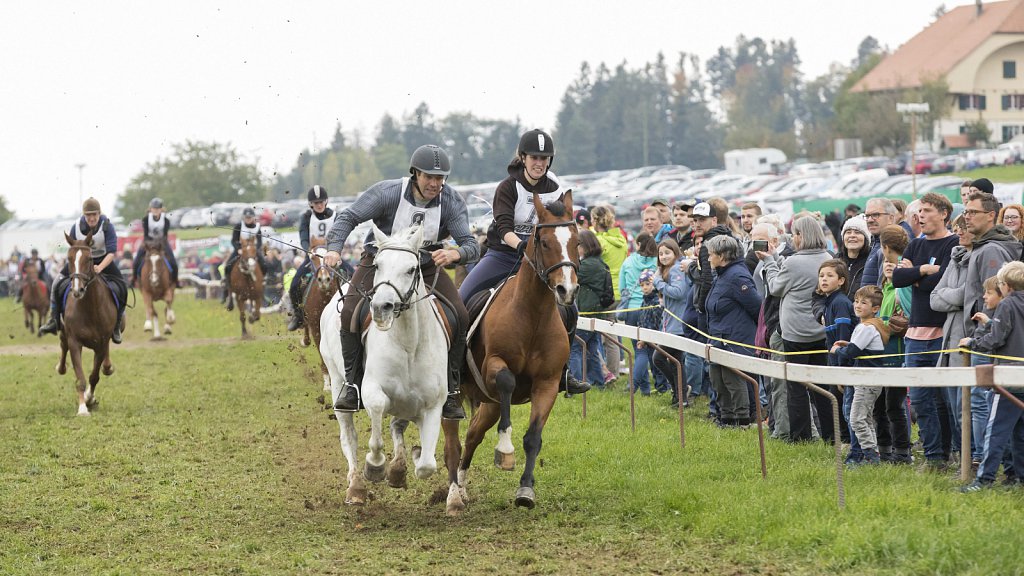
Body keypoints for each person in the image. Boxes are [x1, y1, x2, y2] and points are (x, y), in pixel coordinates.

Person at [324, 144, 479, 420]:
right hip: (380, 260)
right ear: (415, 174)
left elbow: (470, 244)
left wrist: (456, 252)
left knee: (461, 315)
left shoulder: (451, 201)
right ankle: (351, 385)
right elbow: (348, 216)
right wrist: (335, 247)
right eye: (429, 177)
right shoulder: (388, 193)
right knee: (349, 312)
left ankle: (452, 390)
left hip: (424, 265)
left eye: (440, 178)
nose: (435, 183)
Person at [456, 129, 589, 396]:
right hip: (504, 254)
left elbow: (560, 225)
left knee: (570, 310)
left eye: (544, 158)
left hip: (542, 260)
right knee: (461, 301)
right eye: (534, 158)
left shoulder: (556, 187)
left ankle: (563, 372)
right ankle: (454, 373)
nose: (539, 163)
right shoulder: (508, 186)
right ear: (523, 157)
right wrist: (521, 246)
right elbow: (504, 226)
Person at [892, 192, 959, 471]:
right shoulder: (915, 246)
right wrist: (922, 270)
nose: (921, 215)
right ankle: (933, 458)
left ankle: (954, 454)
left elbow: (940, 283)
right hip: (914, 333)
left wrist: (916, 275)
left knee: (946, 400)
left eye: (928, 210)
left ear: (944, 213)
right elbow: (897, 278)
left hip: (942, 332)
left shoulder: (953, 243)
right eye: (919, 210)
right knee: (919, 398)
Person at [760, 214, 833, 442]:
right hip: (821, 330)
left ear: (801, 236)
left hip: (795, 332)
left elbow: (775, 287)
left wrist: (770, 261)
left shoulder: (793, 262)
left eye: (794, 234)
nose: (792, 238)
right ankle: (831, 434)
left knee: (797, 387)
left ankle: (801, 436)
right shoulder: (828, 257)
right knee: (823, 385)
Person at [959, 261, 1024, 492]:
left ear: (1005, 286)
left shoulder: (1007, 305)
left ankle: (983, 480)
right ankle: (1019, 478)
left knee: (995, 432)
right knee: (1020, 433)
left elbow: (997, 338)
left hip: (1007, 378)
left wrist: (973, 343)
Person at [39, 198, 128, 343]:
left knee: (122, 286)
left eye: (94, 215)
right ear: (84, 216)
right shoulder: (77, 227)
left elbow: (112, 252)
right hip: (81, 262)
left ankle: (116, 325)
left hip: (103, 260)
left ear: (99, 214)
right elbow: (73, 248)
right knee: (56, 283)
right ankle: (54, 319)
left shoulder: (107, 226)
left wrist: (100, 267)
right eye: (88, 215)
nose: (91, 218)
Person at [705, 234, 761, 427]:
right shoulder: (721, 275)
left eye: (711, 254)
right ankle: (726, 419)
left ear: (722, 256)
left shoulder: (737, 276)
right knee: (718, 380)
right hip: (718, 338)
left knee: (734, 382)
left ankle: (742, 421)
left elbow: (757, 307)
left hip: (734, 340)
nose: (708, 258)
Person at [831, 285, 890, 466]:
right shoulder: (869, 326)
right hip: (869, 380)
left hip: (866, 380)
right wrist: (848, 344)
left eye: (863, 303)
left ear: (875, 308)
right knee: (865, 418)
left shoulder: (867, 327)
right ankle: (873, 452)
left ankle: (870, 455)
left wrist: (838, 350)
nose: (857, 305)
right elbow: (859, 347)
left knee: (856, 419)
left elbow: (853, 352)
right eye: (856, 301)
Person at [878, 224, 913, 464]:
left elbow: (908, 310)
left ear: (885, 248)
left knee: (894, 405)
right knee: (882, 405)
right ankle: (885, 450)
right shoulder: (889, 282)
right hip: (884, 353)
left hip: (898, 352)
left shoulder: (903, 275)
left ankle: (902, 452)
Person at [286, 185, 337, 331]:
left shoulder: (335, 215)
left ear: (326, 202)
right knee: (295, 284)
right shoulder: (306, 217)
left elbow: (340, 235)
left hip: (332, 255)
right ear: (311, 204)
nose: (319, 205)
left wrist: (335, 250)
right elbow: (303, 236)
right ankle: (298, 316)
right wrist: (307, 250)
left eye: (321, 202)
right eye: (316, 203)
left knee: (352, 275)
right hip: (313, 256)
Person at [816, 259, 854, 449]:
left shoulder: (839, 302)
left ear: (841, 280)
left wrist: (840, 367)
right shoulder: (829, 301)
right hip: (834, 362)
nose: (824, 279)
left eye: (830, 276)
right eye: (821, 276)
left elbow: (842, 338)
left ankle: (848, 442)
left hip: (842, 364)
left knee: (842, 403)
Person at [650, 238, 691, 408]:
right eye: (661, 254)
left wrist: (658, 283)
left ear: (675, 253)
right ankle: (680, 397)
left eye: (667, 253)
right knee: (675, 361)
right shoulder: (667, 270)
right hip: (671, 322)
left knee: (659, 358)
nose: (664, 256)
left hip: (678, 323)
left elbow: (679, 292)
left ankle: (679, 392)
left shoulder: (675, 270)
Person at [570, 230, 611, 390]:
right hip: (597, 312)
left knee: (576, 348)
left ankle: (575, 383)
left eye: (578, 245)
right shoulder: (599, 262)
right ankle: (598, 382)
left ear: (585, 246)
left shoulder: (586, 265)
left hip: (586, 313)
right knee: (592, 349)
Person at [591, 204, 629, 380]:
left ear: (595, 221)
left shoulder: (598, 242)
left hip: (602, 292)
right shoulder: (620, 239)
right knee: (610, 333)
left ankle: (605, 372)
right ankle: (613, 371)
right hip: (618, 291)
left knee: (591, 334)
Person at [620, 233, 659, 394]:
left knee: (639, 350)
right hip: (651, 309)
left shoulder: (628, 261)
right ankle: (645, 389)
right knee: (648, 350)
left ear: (638, 244)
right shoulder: (657, 262)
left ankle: (634, 385)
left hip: (631, 310)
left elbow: (622, 287)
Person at [222, 207, 266, 311]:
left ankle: (263, 283)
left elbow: (259, 241)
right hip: (240, 250)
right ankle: (227, 289)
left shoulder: (257, 227)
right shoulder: (238, 226)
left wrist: (256, 249)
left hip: (253, 251)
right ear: (243, 217)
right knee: (228, 266)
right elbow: (233, 240)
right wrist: (238, 249)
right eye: (246, 217)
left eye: (250, 217)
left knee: (264, 265)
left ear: (253, 218)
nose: (248, 219)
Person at [132, 198, 178, 288]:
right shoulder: (145, 219)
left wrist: (159, 244)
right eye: (154, 208)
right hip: (148, 242)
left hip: (162, 242)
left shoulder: (166, 220)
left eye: (158, 209)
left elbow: (165, 236)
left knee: (173, 262)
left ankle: (175, 281)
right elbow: (145, 235)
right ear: (150, 209)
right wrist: (150, 244)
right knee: (136, 260)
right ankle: (134, 280)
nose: (156, 210)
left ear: (161, 209)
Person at [634, 270, 664, 396]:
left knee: (659, 365)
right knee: (653, 364)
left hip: (655, 338)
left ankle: (663, 388)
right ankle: (658, 387)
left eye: (647, 284)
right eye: (642, 285)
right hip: (646, 338)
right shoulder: (644, 301)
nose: (645, 287)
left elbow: (658, 321)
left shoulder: (656, 302)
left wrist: (648, 337)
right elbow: (642, 318)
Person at [860, 198, 898, 288]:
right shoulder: (876, 243)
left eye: (875, 215)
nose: (869, 220)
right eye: (867, 216)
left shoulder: (892, 246)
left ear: (890, 218)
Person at [838, 215, 870, 299]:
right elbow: (819, 294)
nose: (852, 235)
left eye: (857, 232)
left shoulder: (871, 261)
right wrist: (822, 311)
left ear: (866, 238)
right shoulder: (835, 260)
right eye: (848, 232)